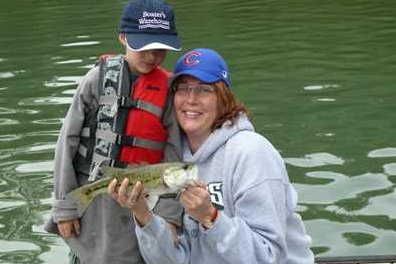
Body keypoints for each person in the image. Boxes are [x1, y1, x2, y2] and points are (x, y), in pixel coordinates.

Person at [108, 48, 315, 263]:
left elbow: (268, 257)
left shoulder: (251, 153)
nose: (191, 99)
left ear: (222, 97)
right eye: (183, 89)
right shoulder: (173, 162)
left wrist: (211, 217)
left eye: (203, 90)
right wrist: (143, 215)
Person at [44, 1, 184, 264]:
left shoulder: (169, 91)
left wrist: (170, 218)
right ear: (123, 37)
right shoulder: (95, 80)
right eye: (143, 46)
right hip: (92, 211)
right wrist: (64, 208)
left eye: (160, 48)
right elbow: (67, 144)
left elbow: (173, 162)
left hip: (141, 209)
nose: (152, 56)